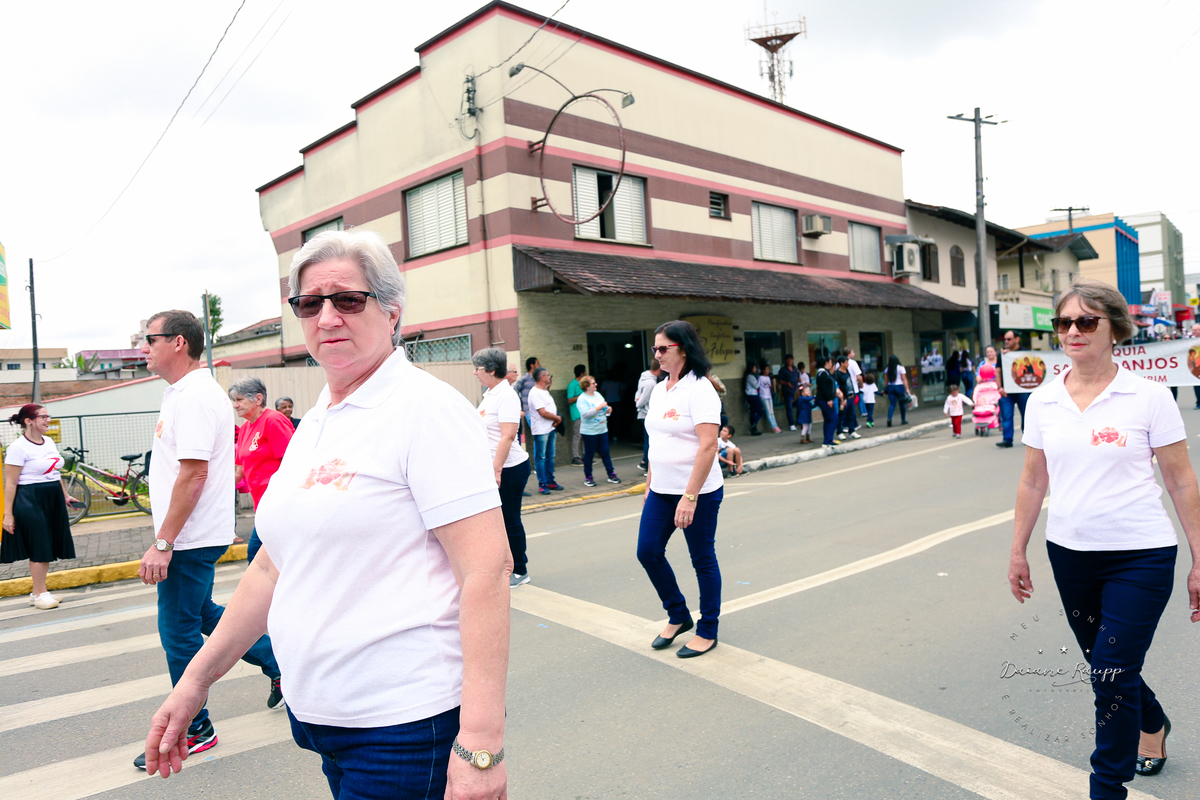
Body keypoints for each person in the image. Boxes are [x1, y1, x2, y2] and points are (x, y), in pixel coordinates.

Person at [143, 230, 511, 799]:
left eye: (348, 299)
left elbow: (486, 571)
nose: (328, 317)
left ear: (392, 311)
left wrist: (481, 746)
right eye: (310, 303)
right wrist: (195, 682)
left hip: (404, 728)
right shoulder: (318, 418)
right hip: (326, 723)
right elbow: (273, 566)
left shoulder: (425, 409)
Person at [1008, 278, 1200, 800]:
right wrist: (1018, 549)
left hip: (1142, 555)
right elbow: (1033, 480)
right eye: (1064, 322)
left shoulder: (1149, 397)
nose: (1072, 331)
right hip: (1070, 555)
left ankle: (1107, 788)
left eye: (1086, 321)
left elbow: (1181, 480)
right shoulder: (1043, 400)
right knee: (1108, 666)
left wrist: (1199, 559)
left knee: (1110, 674)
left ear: (1114, 328)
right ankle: (1152, 721)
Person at [135, 310, 283, 771]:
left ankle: (196, 727)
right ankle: (279, 662)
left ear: (178, 342)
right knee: (202, 615)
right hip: (192, 534)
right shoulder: (181, 393)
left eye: (150, 339)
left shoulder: (196, 396)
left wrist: (164, 543)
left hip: (188, 539)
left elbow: (194, 474)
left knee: (177, 632)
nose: (144, 347)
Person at [639, 320, 724, 659]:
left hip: (698, 492)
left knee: (702, 559)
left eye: (663, 348)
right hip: (661, 490)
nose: (657, 354)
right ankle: (678, 613)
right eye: (655, 348)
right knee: (648, 552)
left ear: (684, 350)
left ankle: (708, 629)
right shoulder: (660, 388)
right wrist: (649, 484)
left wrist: (690, 497)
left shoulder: (700, 388)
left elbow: (708, 445)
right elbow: (656, 440)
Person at [2, 404, 79, 610]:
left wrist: (65, 495)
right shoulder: (17, 448)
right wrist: (8, 515)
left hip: (52, 496)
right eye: (43, 417)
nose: (48, 420)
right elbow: (11, 483)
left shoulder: (49, 442)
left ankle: (37, 593)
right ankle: (40, 594)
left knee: (48, 543)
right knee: (40, 545)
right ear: (28, 421)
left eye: (48, 416)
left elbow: (54, 472)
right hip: (29, 498)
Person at [473, 347, 532, 588]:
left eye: (477, 368)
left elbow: (508, 435)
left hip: (509, 468)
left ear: (490, 370)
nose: (475, 373)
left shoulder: (506, 395)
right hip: (495, 468)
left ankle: (520, 569)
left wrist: (496, 469)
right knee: (497, 522)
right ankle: (505, 565)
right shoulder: (490, 394)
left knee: (510, 520)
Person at [230, 378, 295, 564]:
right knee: (267, 560)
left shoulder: (273, 420)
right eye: (234, 400)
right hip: (261, 506)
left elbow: (292, 462)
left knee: (257, 555)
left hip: (279, 505)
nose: (235, 405)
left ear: (258, 399)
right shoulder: (245, 429)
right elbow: (239, 470)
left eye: (239, 399)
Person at [576, 376, 621, 487]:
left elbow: (605, 408)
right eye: (593, 383)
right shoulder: (582, 399)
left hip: (602, 429)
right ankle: (588, 476)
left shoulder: (598, 395)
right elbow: (586, 414)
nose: (596, 385)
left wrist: (608, 410)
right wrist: (600, 407)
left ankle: (611, 473)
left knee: (605, 452)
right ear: (587, 386)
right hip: (589, 432)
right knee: (589, 454)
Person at [528, 367, 563, 495]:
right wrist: (557, 418)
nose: (550, 377)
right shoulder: (535, 392)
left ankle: (550, 480)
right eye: (548, 375)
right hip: (541, 430)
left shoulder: (544, 391)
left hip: (550, 428)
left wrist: (555, 420)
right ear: (542, 377)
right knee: (541, 457)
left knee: (550, 456)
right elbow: (542, 412)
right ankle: (542, 484)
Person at [997, 330, 1029, 449]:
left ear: (1017, 339)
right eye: (1005, 339)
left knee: (1027, 414)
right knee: (1006, 415)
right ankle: (1007, 439)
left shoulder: (1025, 353)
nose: (1006, 341)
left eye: (1009, 339)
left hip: (1023, 390)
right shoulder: (1003, 355)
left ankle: (1028, 438)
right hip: (1007, 391)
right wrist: (1000, 387)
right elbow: (997, 371)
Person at [634, 359, 662, 470]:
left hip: (642, 413)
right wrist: (638, 404)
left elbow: (638, 393)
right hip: (647, 413)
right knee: (649, 440)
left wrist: (637, 400)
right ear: (659, 369)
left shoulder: (643, 377)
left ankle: (645, 462)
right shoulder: (651, 383)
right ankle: (646, 463)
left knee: (648, 438)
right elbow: (644, 399)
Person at [814, 356, 843, 447]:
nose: (831, 364)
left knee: (828, 419)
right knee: (834, 419)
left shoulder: (825, 373)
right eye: (830, 362)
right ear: (826, 363)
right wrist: (829, 399)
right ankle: (828, 440)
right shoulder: (822, 373)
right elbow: (824, 388)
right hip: (825, 400)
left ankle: (828, 439)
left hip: (825, 400)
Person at [514, 356, 539, 443]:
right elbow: (515, 390)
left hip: (540, 410)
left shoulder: (538, 378)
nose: (539, 365)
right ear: (532, 365)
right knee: (538, 435)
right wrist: (519, 405)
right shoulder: (524, 379)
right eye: (537, 363)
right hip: (529, 411)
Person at [836, 355, 861, 439]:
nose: (848, 364)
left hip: (851, 397)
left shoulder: (847, 371)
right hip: (843, 398)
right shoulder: (838, 374)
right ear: (841, 363)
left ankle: (852, 430)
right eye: (846, 363)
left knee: (852, 414)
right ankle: (840, 431)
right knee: (842, 415)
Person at [566, 364, 586, 465]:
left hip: (584, 413)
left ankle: (585, 455)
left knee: (585, 435)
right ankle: (576, 456)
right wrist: (581, 396)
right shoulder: (572, 385)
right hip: (577, 413)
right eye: (585, 372)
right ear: (582, 373)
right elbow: (569, 400)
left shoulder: (583, 384)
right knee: (577, 435)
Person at [885, 355, 910, 426]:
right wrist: (907, 389)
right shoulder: (901, 368)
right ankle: (903, 420)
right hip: (899, 387)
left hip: (891, 387)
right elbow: (904, 378)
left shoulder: (887, 369)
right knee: (902, 404)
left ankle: (889, 418)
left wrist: (885, 389)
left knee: (892, 404)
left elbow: (886, 380)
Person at [777, 355, 801, 431]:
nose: (790, 361)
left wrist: (799, 379)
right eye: (788, 359)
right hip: (787, 391)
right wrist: (786, 383)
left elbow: (797, 376)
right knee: (789, 408)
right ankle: (791, 424)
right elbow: (779, 380)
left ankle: (799, 422)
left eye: (791, 359)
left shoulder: (795, 369)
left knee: (799, 406)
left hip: (796, 391)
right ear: (786, 361)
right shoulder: (783, 370)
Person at [842, 347, 863, 437]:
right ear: (849, 354)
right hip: (853, 388)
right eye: (853, 352)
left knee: (846, 408)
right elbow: (858, 376)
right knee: (851, 409)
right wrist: (861, 384)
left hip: (844, 389)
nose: (854, 353)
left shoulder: (839, 363)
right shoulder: (853, 363)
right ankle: (851, 425)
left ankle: (848, 425)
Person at [758, 361, 782, 433]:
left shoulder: (768, 378)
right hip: (763, 396)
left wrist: (774, 385)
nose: (768, 371)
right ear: (763, 370)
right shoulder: (760, 378)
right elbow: (757, 386)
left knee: (771, 411)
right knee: (769, 411)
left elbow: (769, 386)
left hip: (769, 395)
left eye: (769, 369)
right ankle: (774, 426)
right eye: (767, 369)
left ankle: (775, 426)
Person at [743, 363, 764, 435]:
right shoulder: (750, 377)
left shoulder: (749, 376)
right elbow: (756, 386)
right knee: (760, 411)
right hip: (753, 395)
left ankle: (754, 430)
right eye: (755, 368)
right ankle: (753, 425)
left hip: (751, 395)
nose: (756, 369)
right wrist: (759, 380)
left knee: (753, 411)